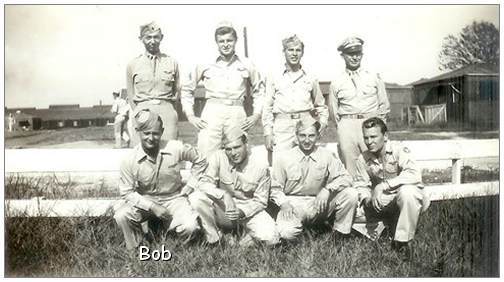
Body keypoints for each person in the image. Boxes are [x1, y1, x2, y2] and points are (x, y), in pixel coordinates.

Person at [113, 109, 209, 254]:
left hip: (174, 198)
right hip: (146, 199)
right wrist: (152, 206)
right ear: (138, 131)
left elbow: (201, 160)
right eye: (146, 133)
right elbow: (127, 193)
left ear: (162, 131)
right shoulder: (129, 160)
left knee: (190, 226)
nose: (151, 138)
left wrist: (190, 186)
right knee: (122, 215)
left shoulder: (175, 147)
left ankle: (177, 247)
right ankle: (137, 248)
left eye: (155, 133)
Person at [181, 21, 265, 158]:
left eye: (229, 40)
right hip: (212, 111)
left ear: (236, 40)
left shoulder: (247, 63)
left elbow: (260, 90)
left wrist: (256, 115)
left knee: (238, 155)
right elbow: (186, 89)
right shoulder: (205, 62)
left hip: (237, 111)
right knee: (206, 155)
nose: (225, 44)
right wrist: (190, 115)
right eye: (221, 41)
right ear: (216, 42)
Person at [270, 115, 358, 241]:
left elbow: (346, 178)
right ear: (296, 136)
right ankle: (307, 234)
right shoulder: (284, 158)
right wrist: (284, 203)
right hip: (293, 204)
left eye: (311, 136)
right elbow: (274, 188)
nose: (307, 140)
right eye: (302, 135)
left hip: (319, 203)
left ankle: (339, 236)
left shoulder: (327, 155)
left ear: (318, 136)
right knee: (286, 233)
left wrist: (327, 189)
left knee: (351, 194)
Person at [353, 117, 429, 260]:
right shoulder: (363, 158)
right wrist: (367, 198)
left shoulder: (399, 150)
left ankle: (402, 243)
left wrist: (384, 185)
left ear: (385, 136)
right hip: (383, 201)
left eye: (374, 137)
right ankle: (383, 230)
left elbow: (414, 174)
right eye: (366, 138)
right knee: (350, 207)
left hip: (406, 199)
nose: (369, 142)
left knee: (407, 193)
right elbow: (360, 184)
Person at [193, 124, 280, 247]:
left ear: (246, 145)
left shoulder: (260, 166)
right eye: (228, 149)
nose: (233, 153)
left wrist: (242, 212)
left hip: (247, 209)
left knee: (271, 238)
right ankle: (215, 238)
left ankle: (243, 239)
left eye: (237, 147)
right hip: (223, 206)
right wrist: (223, 194)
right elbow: (204, 183)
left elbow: (261, 201)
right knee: (196, 198)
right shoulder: (218, 157)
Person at [328, 36, 390, 176]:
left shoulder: (373, 77)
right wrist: (343, 128)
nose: (355, 57)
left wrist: (379, 126)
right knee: (351, 166)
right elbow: (334, 110)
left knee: (375, 164)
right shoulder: (337, 81)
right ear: (343, 56)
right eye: (350, 54)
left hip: (371, 122)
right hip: (347, 125)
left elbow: (384, 105)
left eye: (358, 53)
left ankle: (378, 194)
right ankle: (355, 195)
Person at [262, 35, 328, 163]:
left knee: (306, 163)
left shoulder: (310, 77)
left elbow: (320, 105)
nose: (294, 54)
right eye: (290, 50)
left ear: (302, 53)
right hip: (282, 126)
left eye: (298, 50)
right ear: (284, 52)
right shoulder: (274, 76)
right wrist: (267, 132)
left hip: (305, 125)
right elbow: (268, 107)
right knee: (280, 164)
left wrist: (323, 123)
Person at [126, 22, 181, 145]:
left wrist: (171, 111)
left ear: (162, 37)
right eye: (148, 37)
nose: (152, 41)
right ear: (141, 39)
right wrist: (138, 112)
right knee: (142, 154)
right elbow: (130, 94)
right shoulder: (133, 64)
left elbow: (177, 92)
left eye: (156, 37)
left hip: (166, 111)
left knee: (170, 151)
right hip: (142, 112)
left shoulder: (172, 62)